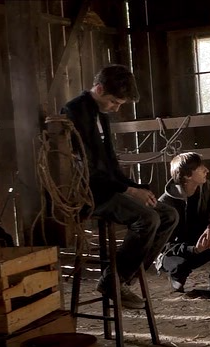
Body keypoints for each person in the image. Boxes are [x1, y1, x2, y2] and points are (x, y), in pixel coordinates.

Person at [62, 64, 179, 309]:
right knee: (148, 219)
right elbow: (87, 170)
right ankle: (113, 282)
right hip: (90, 193)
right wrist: (129, 191)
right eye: (114, 102)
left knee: (168, 214)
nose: (116, 108)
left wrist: (135, 187)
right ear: (99, 89)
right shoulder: (75, 112)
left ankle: (120, 278)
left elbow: (110, 164)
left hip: (108, 187)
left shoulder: (100, 114)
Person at [157, 152, 210, 295]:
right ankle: (177, 276)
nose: (206, 170)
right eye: (200, 167)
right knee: (178, 264)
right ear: (187, 175)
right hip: (178, 251)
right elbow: (163, 246)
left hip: (200, 240)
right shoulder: (165, 204)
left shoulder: (205, 187)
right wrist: (194, 249)